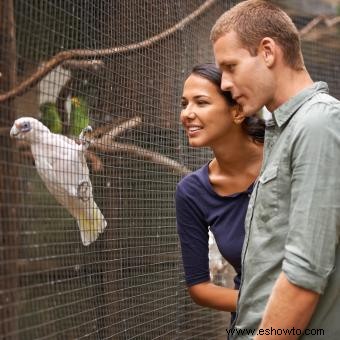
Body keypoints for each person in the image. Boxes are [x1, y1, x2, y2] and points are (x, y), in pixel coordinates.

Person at [210, 1, 340, 339]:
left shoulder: (318, 124)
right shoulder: (282, 128)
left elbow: (304, 274)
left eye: (231, 66)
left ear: (267, 51)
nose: (224, 83)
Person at [175, 63, 264, 316]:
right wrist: (268, 305)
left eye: (201, 102)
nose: (187, 114)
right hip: (254, 323)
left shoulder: (284, 154)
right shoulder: (192, 192)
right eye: (184, 104)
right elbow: (200, 288)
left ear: (237, 112)